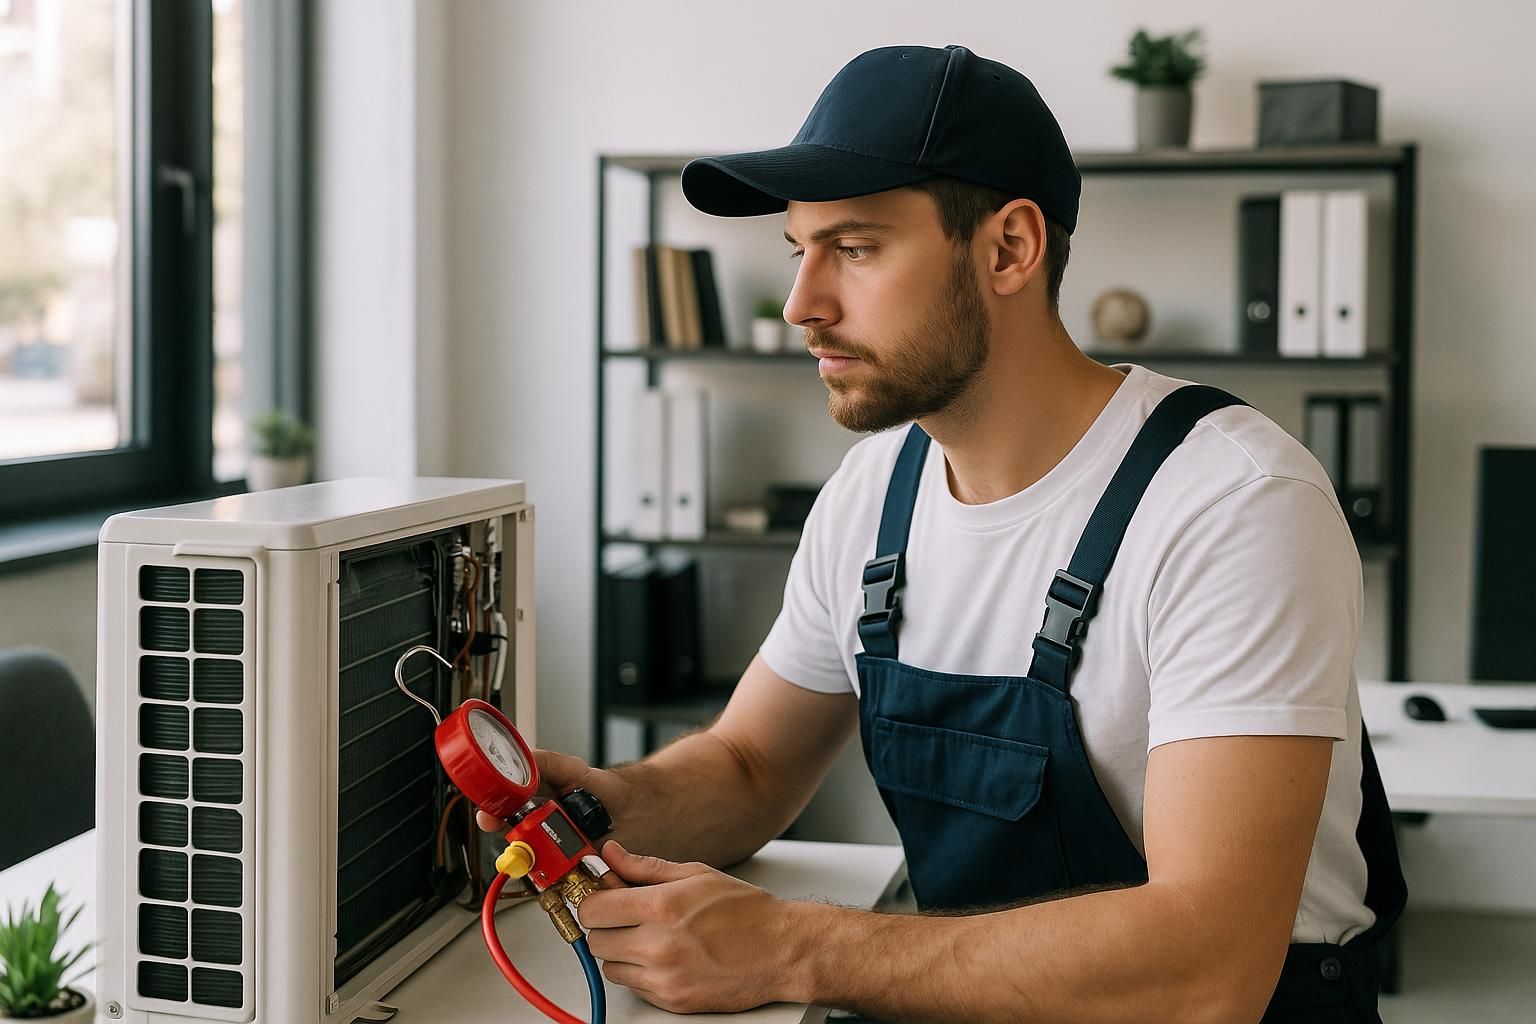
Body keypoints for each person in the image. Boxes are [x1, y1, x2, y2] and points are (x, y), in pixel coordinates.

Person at [480, 43, 1405, 1023]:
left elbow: (1208, 965)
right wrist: (597, 806)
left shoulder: (1232, 502)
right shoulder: (876, 491)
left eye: (858, 246)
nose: (803, 305)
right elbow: (751, 767)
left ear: (1010, 248)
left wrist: (796, 943)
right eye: (800, 251)